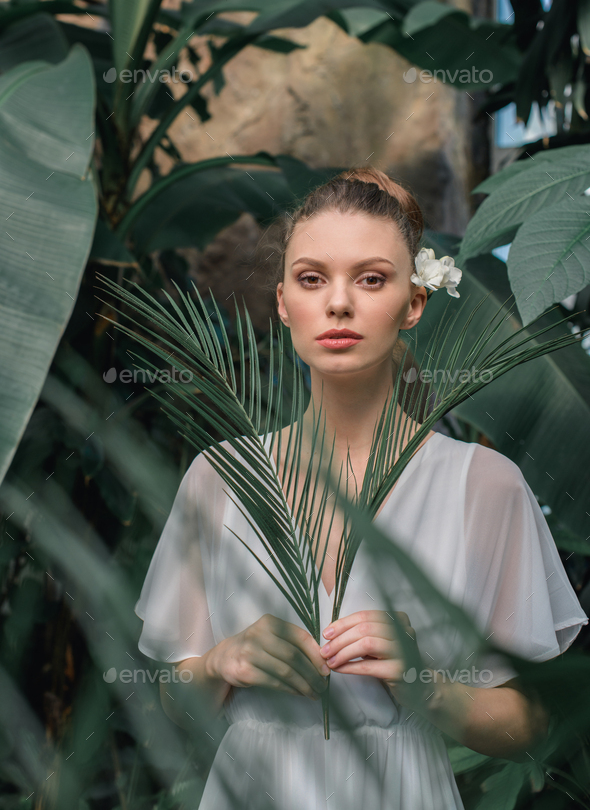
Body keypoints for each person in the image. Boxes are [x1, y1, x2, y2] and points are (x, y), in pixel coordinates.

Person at [134, 169, 588, 809]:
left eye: (371, 278)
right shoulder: (220, 476)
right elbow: (175, 702)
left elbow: (532, 723)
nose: (339, 303)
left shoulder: (483, 485)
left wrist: (428, 686)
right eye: (312, 278)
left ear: (414, 302)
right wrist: (219, 664)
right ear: (285, 302)